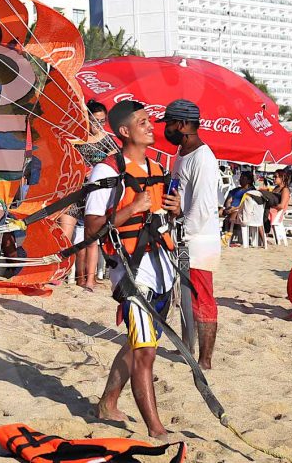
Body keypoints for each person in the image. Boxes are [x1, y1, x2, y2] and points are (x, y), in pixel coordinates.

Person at [84, 100, 179, 439]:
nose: (150, 126)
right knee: (145, 352)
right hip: (132, 273)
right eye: (142, 122)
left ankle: (108, 403)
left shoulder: (156, 166)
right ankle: (156, 430)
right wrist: (130, 210)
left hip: (163, 268)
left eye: (149, 120)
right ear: (124, 131)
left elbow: (163, 220)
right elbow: (93, 228)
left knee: (139, 342)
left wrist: (174, 210)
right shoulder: (107, 172)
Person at [161, 99, 220, 370]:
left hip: (197, 239)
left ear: (183, 125)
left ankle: (205, 360)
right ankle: (187, 346)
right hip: (182, 235)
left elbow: (205, 206)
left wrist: (183, 223)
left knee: (201, 297)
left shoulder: (203, 157)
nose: (166, 128)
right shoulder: (181, 153)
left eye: (170, 123)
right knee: (183, 294)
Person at [60, 99, 114, 290]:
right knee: (65, 236)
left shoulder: (107, 141)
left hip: (94, 196)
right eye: (95, 121)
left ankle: (88, 280)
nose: (98, 126)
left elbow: (117, 166)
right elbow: (64, 162)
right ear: (86, 119)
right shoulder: (76, 139)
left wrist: (99, 170)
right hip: (74, 193)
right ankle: (61, 274)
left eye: (102, 121)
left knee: (91, 241)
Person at [222, 171, 255, 243]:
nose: (240, 180)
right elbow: (228, 201)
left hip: (243, 211)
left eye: (243, 178)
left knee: (233, 215)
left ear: (249, 180)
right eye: (240, 178)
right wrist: (229, 207)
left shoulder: (252, 191)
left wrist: (234, 208)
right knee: (217, 212)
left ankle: (227, 237)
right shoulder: (235, 190)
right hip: (231, 209)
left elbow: (248, 204)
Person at [270, 169, 291, 246]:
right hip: (272, 210)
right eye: (273, 177)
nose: (274, 178)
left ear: (282, 178)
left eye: (276, 177)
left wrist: (271, 206)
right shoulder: (276, 188)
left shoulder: (285, 190)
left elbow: (282, 206)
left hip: (276, 212)